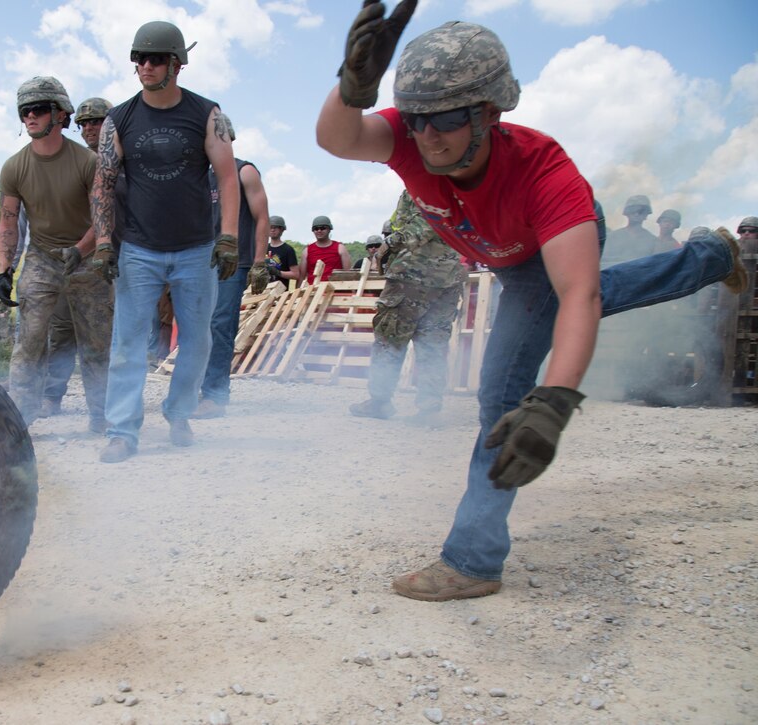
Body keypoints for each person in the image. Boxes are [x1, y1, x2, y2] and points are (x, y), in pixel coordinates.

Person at [316, 2, 746, 601]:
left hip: (546, 249)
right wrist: (352, 87)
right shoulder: (413, 137)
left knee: (504, 393)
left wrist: (555, 401)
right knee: (583, 300)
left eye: (449, 118)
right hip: (508, 260)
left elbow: (578, 293)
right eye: (417, 119)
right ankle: (709, 258)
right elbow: (338, 139)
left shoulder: (546, 174)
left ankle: (472, 558)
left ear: (490, 112)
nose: (430, 135)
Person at [90, 19, 239, 462]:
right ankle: (122, 431)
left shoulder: (207, 114)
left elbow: (228, 178)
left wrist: (228, 237)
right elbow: (103, 182)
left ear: (177, 64)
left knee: (198, 340)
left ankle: (178, 412)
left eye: (155, 59)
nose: (145, 66)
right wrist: (102, 241)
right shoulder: (119, 118)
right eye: (139, 59)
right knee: (128, 343)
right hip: (139, 249)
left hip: (196, 248)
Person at [0, 77, 114, 433]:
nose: (30, 116)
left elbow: (104, 217)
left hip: (87, 259)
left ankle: (101, 416)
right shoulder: (14, 166)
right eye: (24, 111)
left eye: (39, 109)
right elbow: (8, 220)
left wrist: (80, 251)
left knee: (96, 344)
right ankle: (20, 420)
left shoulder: (87, 162)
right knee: (29, 342)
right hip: (42, 258)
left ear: (60, 114)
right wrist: (4, 269)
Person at [349, 190, 466, 425]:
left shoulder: (425, 182)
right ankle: (430, 407)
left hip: (413, 274)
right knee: (433, 342)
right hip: (448, 276)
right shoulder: (458, 180)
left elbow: (426, 224)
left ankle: (380, 401)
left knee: (389, 336)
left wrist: (390, 243)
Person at [40, 97, 116, 418]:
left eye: (96, 122)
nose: (88, 128)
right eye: (83, 123)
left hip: (103, 261)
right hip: (68, 257)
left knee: (98, 338)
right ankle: (52, 397)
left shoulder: (118, 164)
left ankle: (101, 408)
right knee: (60, 332)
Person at [193, 115, 270, 419]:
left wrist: (260, 262)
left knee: (221, 324)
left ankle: (215, 395)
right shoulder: (202, 178)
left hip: (234, 263)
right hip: (201, 262)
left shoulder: (244, 172)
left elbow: (263, 217)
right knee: (198, 327)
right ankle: (197, 390)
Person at [601, 194, 657, 266]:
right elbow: (604, 263)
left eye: (641, 211)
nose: (636, 214)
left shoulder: (653, 241)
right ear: (627, 212)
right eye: (633, 210)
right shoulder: (612, 237)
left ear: (646, 214)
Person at [301, 215, 350, 284]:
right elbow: (302, 277)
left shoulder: (340, 248)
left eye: (323, 228)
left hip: (334, 290)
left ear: (329, 229)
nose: (319, 230)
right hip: (312, 291)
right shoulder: (307, 251)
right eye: (316, 228)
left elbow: (347, 274)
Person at [265, 215, 299, 287]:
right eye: (270, 227)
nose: (272, 230)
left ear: (282, 229)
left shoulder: (288, 250)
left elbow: (296, 274)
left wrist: (278, 272)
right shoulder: (263, 248)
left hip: (280, 293)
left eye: (275, 227)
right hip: (263, 291)